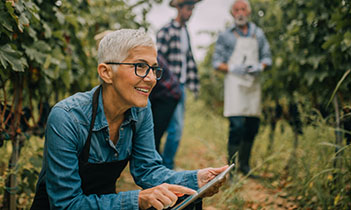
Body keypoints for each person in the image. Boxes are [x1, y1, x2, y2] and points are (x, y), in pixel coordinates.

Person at [31, 29, 229, 210]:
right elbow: (66, 204)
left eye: (153, 68)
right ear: (106, 72)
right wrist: (138, 199)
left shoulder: (140, 110)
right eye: (140, 66)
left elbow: (147, 170)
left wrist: (196, 179)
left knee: (183, 200)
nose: (151, 78)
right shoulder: (67, 118)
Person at [212, 0, 272, 176]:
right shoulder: (226, 36)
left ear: (248, 12)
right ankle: (230, 169)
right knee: (236, 125)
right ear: (232, 14)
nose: (240, 13)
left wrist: (261, 66)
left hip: (253, 84)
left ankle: (245, 166)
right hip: (235, 84)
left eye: (243, 9)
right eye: (236, 9)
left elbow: (267, 57)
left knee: (252, 125)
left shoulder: (258, 34)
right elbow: (217, 62)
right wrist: (232, 68)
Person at [156, 0, 201, 170]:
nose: (190, 13)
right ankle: (165, 166)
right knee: (170, 128)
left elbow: (188, 60)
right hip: (167, 90)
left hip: (180, 87)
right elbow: (159, 60)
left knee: (175, 129)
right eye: (188, 9)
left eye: (192, 9)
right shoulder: (165, 31)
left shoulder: (185, 32)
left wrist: (193, 84)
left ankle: (165, 164)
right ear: (179, 8)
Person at [149, 54, 182, 153]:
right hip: (158, 95)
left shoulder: (150, 57)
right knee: (152, 134)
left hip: (168, 95)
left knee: (154, 134)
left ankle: (156, 165)